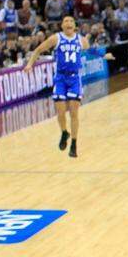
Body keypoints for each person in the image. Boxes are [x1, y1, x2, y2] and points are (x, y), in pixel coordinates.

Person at [24, 16, 88, 157]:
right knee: (60, 112)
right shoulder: (56, 38)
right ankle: (64, 132)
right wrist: (30, 64)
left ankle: (74, 144)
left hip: (74, 79)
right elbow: (38, 50)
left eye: (71, 21)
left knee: (74, 113)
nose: (69, 23)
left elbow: (91, 51)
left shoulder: (81, 40)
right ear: (62, 26)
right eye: (66, 21)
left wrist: (103, 55)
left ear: (75, 25)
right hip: (60, 78)